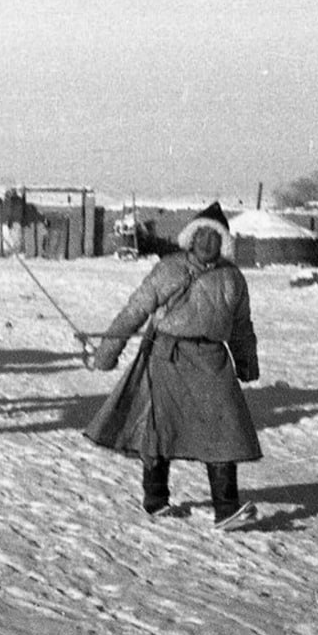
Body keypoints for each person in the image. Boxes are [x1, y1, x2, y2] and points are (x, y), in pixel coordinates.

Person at [83, 202, 261, 531]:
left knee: (225, 428)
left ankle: (226, 509)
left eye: (215, 236)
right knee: (159, 429)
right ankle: (156, 499)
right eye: (202, 235)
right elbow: (134, 311)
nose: (208, 242)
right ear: (190, 238)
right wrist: (108, 351)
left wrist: (246, 362)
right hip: (168, 357)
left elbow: (241, 324)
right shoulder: (169, 269)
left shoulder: (232, 278)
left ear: (223, 242)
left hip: (212, 360)